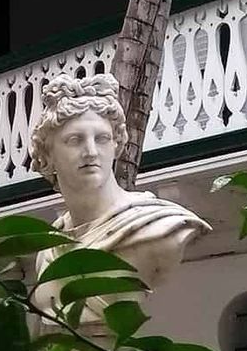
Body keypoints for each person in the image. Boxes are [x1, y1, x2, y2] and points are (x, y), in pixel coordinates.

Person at [29, 73, 209, 318]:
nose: (91, 152)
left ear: (117, 145)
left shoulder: (160, 227)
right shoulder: (50, 247)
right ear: (47, 155)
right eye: (75, 140)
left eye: (102, 138)